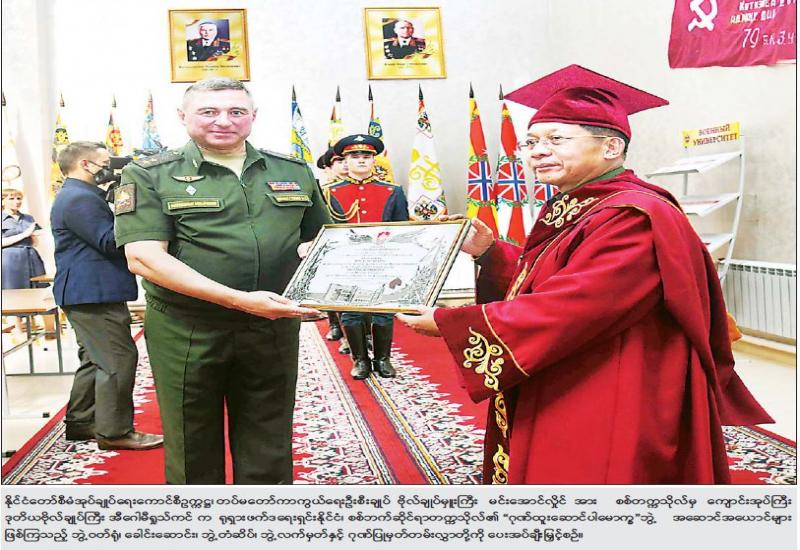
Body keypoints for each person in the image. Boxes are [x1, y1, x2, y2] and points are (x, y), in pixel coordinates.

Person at [398, 65, 772, 484]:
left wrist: (452, 323)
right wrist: (490, 251)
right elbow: (553, 278)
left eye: (556, 139)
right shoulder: (582, 203)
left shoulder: (633, 215)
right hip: (582, 362)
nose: (537, 152)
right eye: (531, 142)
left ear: (611, 147)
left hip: (617, 378)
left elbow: (577, 305)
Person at [115, 77, 330, 484]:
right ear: (182, 116)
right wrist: (237, 299)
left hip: (270, 327)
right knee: (192, 444)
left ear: (253, 116)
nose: (224, 121)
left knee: (269, 441)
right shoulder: (149, 174)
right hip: (188, 329)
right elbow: (144, 257)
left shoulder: (292, 170)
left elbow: (322, 239)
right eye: (209, 112)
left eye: (236, 111)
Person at [51, 142, 163, 450]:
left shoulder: (81, 195)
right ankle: (115, 432)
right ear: (85, 165)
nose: (111, 169)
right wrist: (132, 206)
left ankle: (82, 421)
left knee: (94, 358)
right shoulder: (80, 198)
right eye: (105, 163)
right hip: (92, 293)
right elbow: (110, 242)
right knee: (118, 359)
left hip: (88, 290)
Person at [326, 134, 409, 380]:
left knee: (383, 310)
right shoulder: (329, 193)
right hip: (347, 262)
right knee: (351, 313)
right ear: (345, 160)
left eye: (366, 156)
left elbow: (402, 228)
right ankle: (360, 360)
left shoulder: (392, 191)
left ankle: (383, 359)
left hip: (383, 260)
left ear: (374, 160)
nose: (361, 160)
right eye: (355, 156)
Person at [2, 188, 47, 340]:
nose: (17, 202)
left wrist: (33, 236)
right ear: (3, 201)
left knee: (39, 287)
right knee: (13, 290)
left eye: (19, 198)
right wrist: (24, 235)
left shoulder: (28, 218)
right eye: (12, 198)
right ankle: (18, 329)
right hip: (10, 257)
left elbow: (35, 239)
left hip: (30, 255)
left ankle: (46, 327)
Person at [315, 147, 349, 347]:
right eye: (339, 161)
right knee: (331, 284)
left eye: (346, 160)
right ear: (328, 167)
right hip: (332, 241)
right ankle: (335, 323)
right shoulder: (323, 190)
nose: (345, 164)